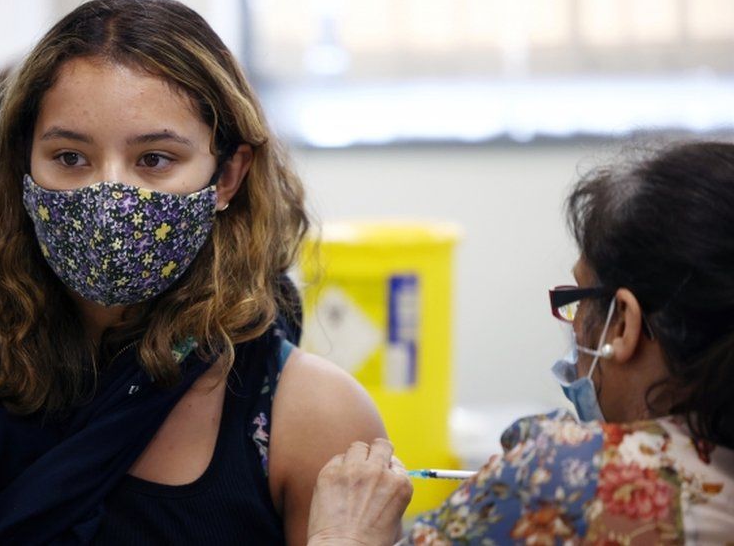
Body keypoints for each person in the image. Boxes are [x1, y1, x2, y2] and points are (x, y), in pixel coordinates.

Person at [0, 0, 387, 544]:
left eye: (154, 159)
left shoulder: (311, 418)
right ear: (23, 166)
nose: (109, 197)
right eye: (70, 157)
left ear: (227, 177)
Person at [307, 141, 734, 544]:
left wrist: (343, 534)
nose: (574, 326)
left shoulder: (562, 479)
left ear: (623, 324)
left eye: (578, 298)